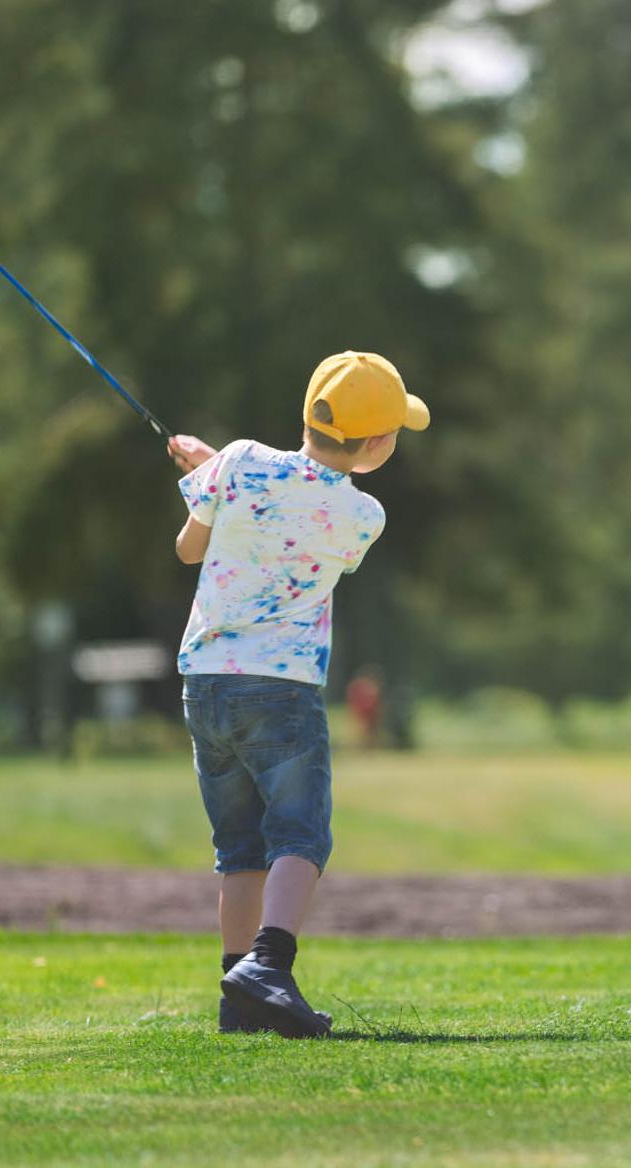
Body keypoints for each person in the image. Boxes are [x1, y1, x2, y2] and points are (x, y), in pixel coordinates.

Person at [166, 350, 429, 1037]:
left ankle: (237, 997)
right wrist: (216, 474)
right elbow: (301, 517)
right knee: (300, 833)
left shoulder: (240, 459)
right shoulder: (363, 514)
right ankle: (268, 965)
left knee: (239, 846)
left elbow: (189, 550)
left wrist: (210, 476)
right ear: (373, 446)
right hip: (279, 688)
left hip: (205, 683)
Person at [347, 665, 384, 750]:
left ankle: (370, 745)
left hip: (370, 711)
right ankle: (366, 745)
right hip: (365, 711)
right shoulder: (361, 686)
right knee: (366, 730)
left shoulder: (366, 686)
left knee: (370, 730)